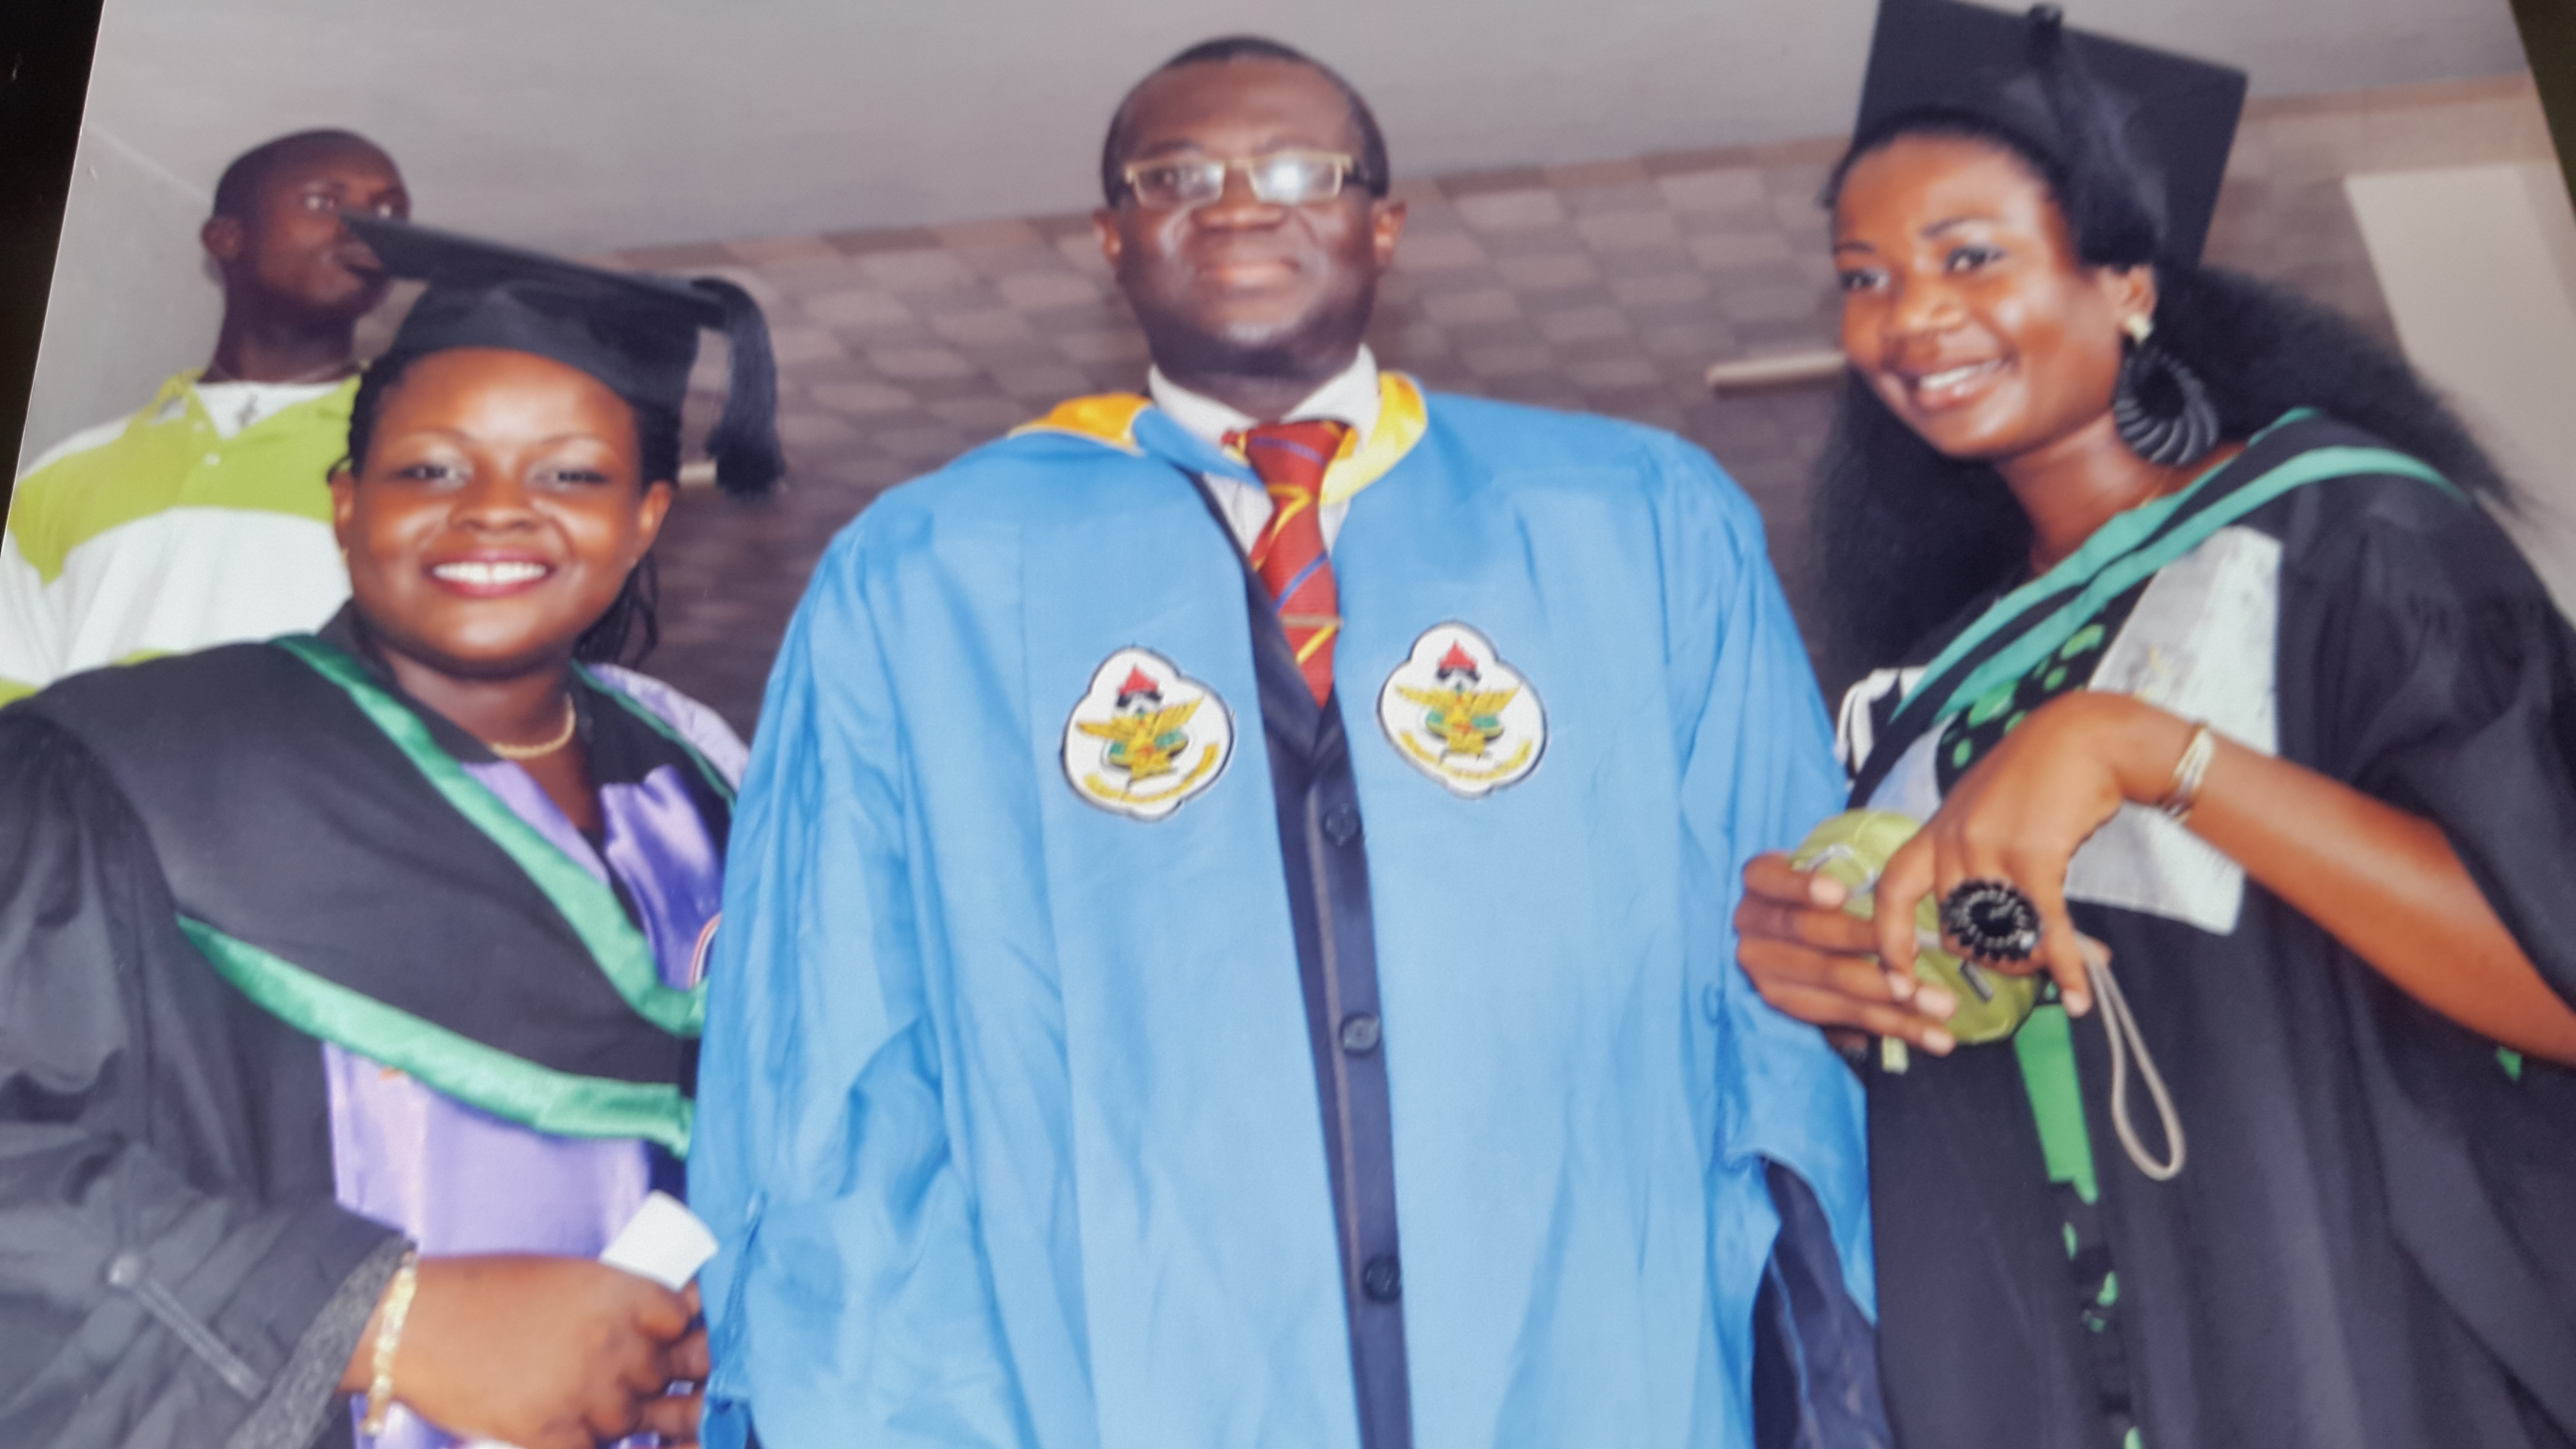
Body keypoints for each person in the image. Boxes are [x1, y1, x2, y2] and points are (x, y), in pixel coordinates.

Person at [692, 33, 1880, 1449]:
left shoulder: (1635, 522)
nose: (1240, 204)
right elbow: (827, 1044)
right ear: (1111, 239)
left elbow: (1791, 983)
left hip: (1576, 1365)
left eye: (1297, 172)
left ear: (1383, 224)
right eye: (1177, 175)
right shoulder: (930, 571)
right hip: (1119, 1381)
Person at [1732, 4, 2576, 1447]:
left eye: (1968, 256)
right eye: (1862, 276)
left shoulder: (2344, 534)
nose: (1905, 316)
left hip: (2360, 1356)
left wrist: (2151, 753)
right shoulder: (1931, 686)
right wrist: (1818, 970)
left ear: (2124, 285)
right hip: (2047, 1378)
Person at [0, 215, 784, 1449]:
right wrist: (378, 1319)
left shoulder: (712, 803)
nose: (493, 512)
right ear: (346, 501)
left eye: (569, 473)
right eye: (431, 468)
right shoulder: (122, 768)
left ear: (643, 519)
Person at [0, 129, 408, 704]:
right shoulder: (61, 475)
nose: (371, 228)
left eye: (391, 211)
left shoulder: (420, 451)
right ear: (226, 238)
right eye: (325, 201)